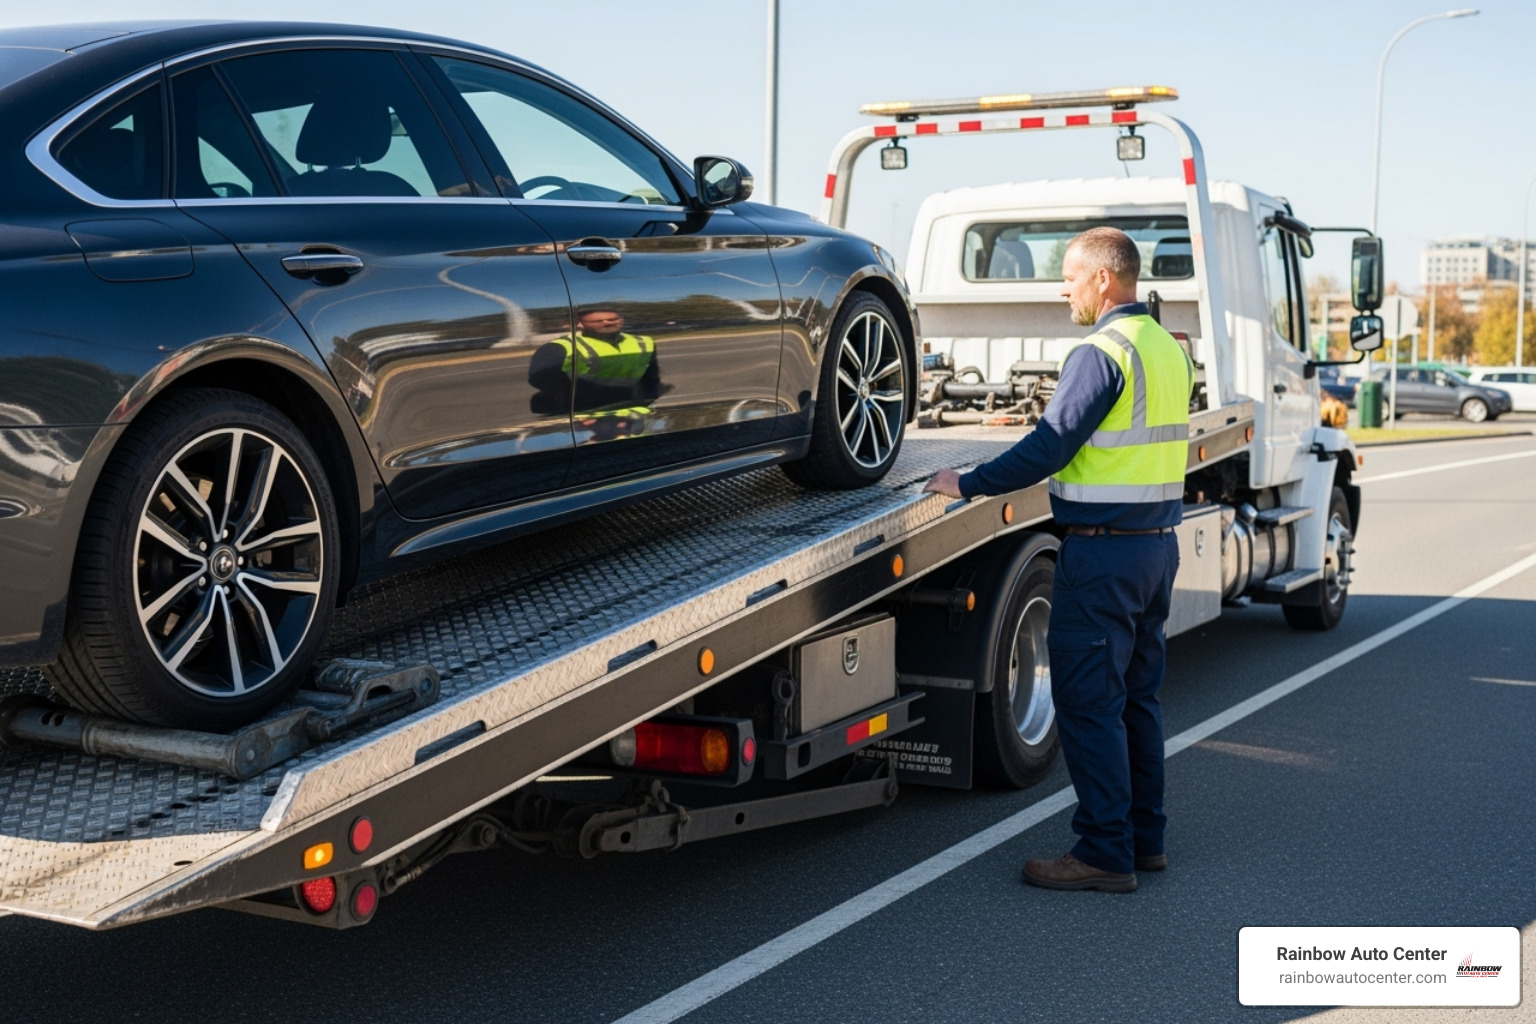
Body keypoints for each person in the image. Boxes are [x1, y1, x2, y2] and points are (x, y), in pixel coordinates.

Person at [924, 227, 1193, 893]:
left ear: (1105, 280)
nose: (1063, 287)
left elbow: (1050, 447)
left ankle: (1104, 851)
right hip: (1155, 550)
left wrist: (969, 481)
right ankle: (1144, 839)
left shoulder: (1100, 352)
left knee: (1088, 704)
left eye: (1071, 275)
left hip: (1102, 559)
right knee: (1136, 701)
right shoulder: (1164, 347)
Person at [529, 309, 662, 439]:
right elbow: (543, 381)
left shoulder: (645, 342)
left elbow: (651, 379)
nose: (607, 323)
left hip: (637, 418)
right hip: (589, 422)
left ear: (622, 320)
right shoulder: (559, 348)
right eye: (598, 321)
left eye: (613, 319)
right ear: (580, 323)